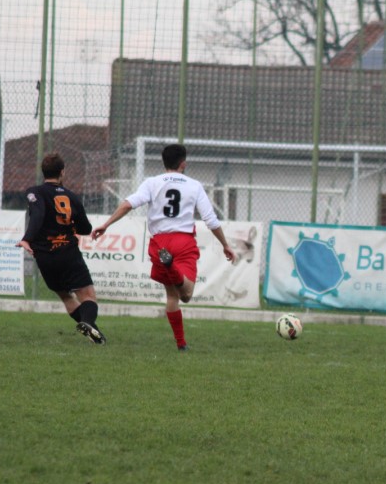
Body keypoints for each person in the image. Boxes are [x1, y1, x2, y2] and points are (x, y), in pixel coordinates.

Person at [91, 143, 235, 351]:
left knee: (171, 296)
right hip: (183, 241)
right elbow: (211, 220)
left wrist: (106, 224)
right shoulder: (194, 185)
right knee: (185, 295)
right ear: (183, 163)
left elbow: (128, 204)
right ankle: (174, 274)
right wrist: (225, 245)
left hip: (160, 244)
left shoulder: (152, 183)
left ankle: (181, 343)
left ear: (164, 162)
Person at [16, 152, 106, 344]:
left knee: (66, 296)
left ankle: (96, 334)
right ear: (62, 172)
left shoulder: (35, 192)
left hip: (44, 256)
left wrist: (28, 239)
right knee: (88, 296)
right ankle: (88, 322)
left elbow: (38, 214)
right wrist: (71, 224)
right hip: (67, 252)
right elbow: (86, 228)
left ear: (43, 172)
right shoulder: (72, 197)